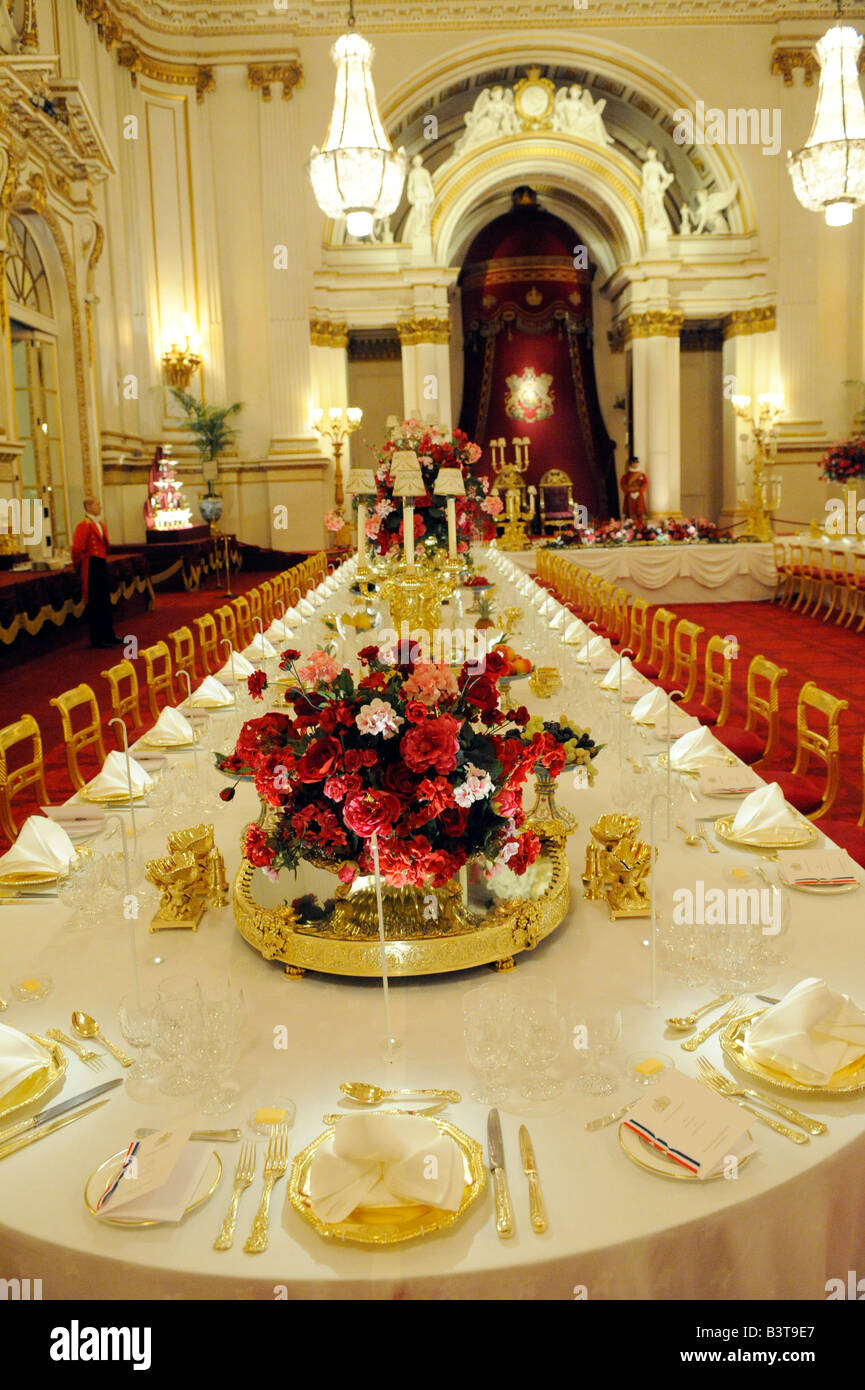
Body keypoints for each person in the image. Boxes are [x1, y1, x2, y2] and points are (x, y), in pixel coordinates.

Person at [71, 496, 121, 648]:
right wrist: (77, 564)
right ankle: (98, 638)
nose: (100, 507)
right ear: (89, 507)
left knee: (105, 601)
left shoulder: (98, 524)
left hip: (100, 563)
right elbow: (77, 549)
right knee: (95, 602)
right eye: (97, 504)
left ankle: (109, 634)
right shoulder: (84, 525)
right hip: (92, 565)